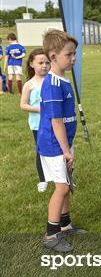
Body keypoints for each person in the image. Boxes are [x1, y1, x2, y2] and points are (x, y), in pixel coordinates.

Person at [38, 29, 87, 252]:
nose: (73, 58)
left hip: (63, 143)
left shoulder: (63, 80)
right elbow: (56, 121)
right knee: (62, 188)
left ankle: (65, 225)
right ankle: (51, 234)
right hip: (54, 145)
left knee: (67, 183)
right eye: (69, 54)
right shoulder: (53, 84)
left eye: (74, 53)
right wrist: (66, 151)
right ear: (53, 57)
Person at [20, 48, 51, 193]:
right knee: (41, 151)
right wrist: (40, 109)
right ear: (32, 64)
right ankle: (43, 179)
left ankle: (61, 177)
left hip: (54, 122)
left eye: (47, 62)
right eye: (40, 63)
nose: (44, 65)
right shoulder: (29, 84)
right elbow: (23, 105)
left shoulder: (52, 80)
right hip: (38, 124)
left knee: (58, 149)